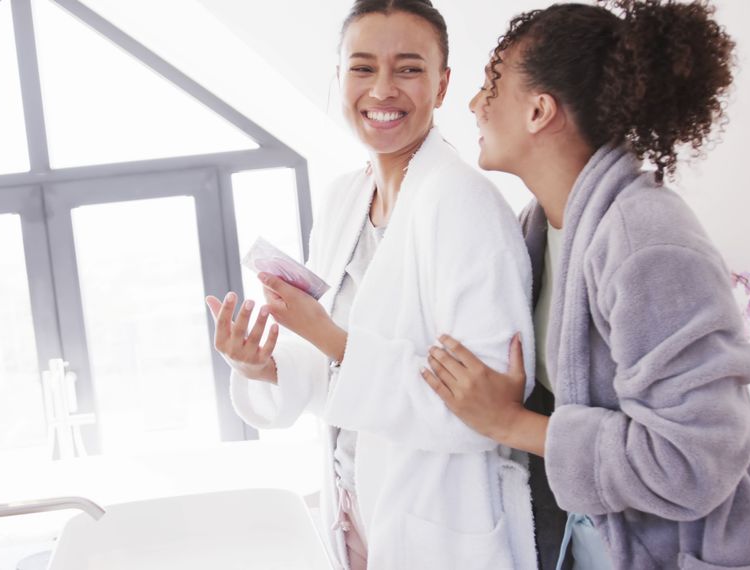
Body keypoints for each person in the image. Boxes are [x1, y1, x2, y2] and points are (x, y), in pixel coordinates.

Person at [421, 1, 750, 569]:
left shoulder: (646, 243)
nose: (474, 104)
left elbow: (695, 459)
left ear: (539, 111)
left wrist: (509, 423)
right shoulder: (540, 227)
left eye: (490, 86)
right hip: (592, 542)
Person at [205, 1, 539, 568]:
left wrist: (333, 340)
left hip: (439, 523)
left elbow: (486, 411)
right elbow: (334, 377)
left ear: (442, 84)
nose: (382, 90)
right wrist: (265, 367)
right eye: (362, 68)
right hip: (355, 508)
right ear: (339, 78)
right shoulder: (342, 200)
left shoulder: (463, 205)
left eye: (408, 68)